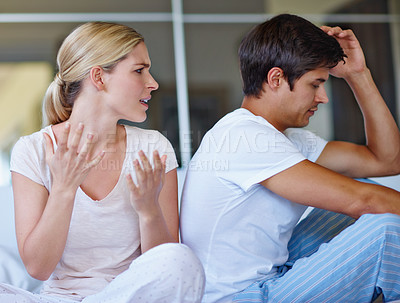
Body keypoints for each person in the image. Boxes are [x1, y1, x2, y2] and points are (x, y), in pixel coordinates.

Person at [180, 13, 400, 303]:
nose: (323, 97)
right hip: (237, 298)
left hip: (273, 274)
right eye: (315, 84)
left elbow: (386, 160)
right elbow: (366, 200)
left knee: (363, 187)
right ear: (276, 78)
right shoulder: (245, 138)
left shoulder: (281, 137)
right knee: (384, 227)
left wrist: (359, 75)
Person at [1, 21, 205, 303]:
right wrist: (64, 188)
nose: (153, 83)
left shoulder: (153, 147)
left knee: (183, 259)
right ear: (99, 77)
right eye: (139, 70)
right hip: (57, 299)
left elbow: (167, 266)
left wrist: (148, 211)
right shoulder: (33, 150)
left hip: (126, 296)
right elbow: (38, 268)